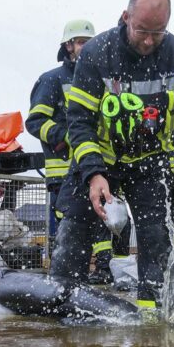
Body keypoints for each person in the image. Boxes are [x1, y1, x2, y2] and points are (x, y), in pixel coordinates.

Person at [50, 0, 174, 309]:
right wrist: (93, 173)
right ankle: (60, 311)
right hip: (100, 157)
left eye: (157, 33)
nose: (147, 41)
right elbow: (79, 120)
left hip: (150, 161)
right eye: (142, 30)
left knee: (155, 236)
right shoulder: (97, 53)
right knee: (74, 231)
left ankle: (150, 319)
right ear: (125, 17)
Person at [25, 19, 116, 284]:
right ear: (68, 46)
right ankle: (65, 281)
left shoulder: (100, 79)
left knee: (102, 222)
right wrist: (67, 135)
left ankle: (102, 272)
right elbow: (35, 122)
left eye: (90, 43)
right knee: (70, 228)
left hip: (95, 168)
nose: (86, 48)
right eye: (80, 42)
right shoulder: (52, 80)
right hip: (64, 171)